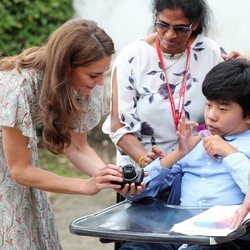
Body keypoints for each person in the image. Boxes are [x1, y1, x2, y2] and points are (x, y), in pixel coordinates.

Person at [0, 19, 128, 249]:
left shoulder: (76, 86)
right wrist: (84, 186)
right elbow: (19, 170)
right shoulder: (19, 87)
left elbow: (77, 146)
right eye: (93, 75)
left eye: (103, 74)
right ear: (66, 67)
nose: (100, 83)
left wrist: (110, 177)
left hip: (17, 166)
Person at [120, 58, 250, 249]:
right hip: (178, 232)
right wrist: (179, 153)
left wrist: (229, 153)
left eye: (223, 109)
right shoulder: (195, 142)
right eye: (208, 105)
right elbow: (142, 192)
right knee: (135, 246)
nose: (211, 115)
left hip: (227, 238)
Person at [102, 0, 239, 173]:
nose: (170, 35)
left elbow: (234, 106)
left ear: (195, 24)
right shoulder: (132, 57)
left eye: (180, 28)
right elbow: (118, 125)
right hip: (144, 172)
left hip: (195, 171)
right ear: (155, 18)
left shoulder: (212, 54)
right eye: (163, 25)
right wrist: (145, 159)